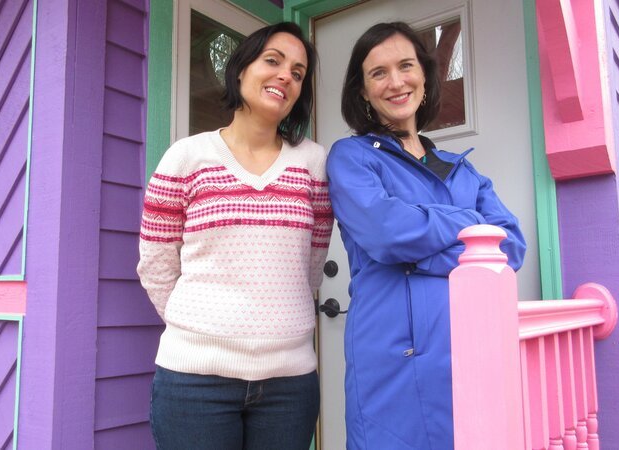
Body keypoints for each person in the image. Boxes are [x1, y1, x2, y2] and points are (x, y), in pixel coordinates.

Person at [326, 22, 526, 449]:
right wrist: (468, 227)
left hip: (468, 351)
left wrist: (420, 257)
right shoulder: (353, 158)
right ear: (362, 91)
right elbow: (386, 234)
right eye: (378, 73)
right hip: (392, 357)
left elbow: (511, 246)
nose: (396, 82)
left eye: (405, 66)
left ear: (424, 76)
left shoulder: (462, 168)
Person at [137, 22, 332, 450]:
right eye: (273, 61)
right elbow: (156, 262)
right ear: (241, 69)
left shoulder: (314, 164)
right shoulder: (187, 157)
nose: (286, 76)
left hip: (289, 383)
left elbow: (311, 267)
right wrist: (205, 329)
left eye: (298, 73)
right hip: (194, 382)